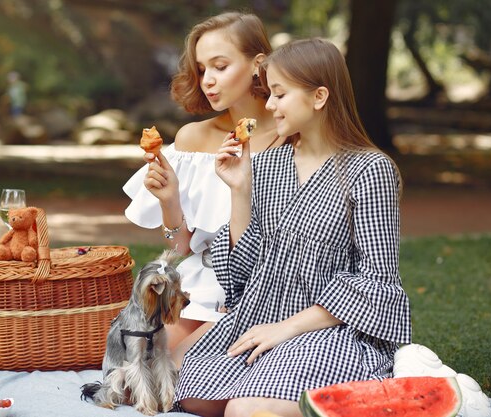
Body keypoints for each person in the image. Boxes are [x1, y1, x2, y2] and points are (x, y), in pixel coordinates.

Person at [174, 38, 412, 417]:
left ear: (319, 97)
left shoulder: (370, 171)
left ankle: (371, 398)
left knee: (244, 411)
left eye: (280, 94)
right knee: (193, 396)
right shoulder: (269, 164)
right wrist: (239, 192)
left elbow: (379, 281)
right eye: (269, 93)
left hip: (333, 328)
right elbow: (239, 274)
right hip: (262, 314)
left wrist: (287, 329)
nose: (268, 105)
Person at [122, 12, 285, 368]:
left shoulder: (290, 136)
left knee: (183, 373)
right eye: (201, 70)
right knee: (142, 369)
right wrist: (169, 202)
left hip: (267, 289)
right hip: (203, 282)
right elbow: (181, 246)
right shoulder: (192, 139)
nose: (208, 81)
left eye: (220, 66)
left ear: (258, 65)